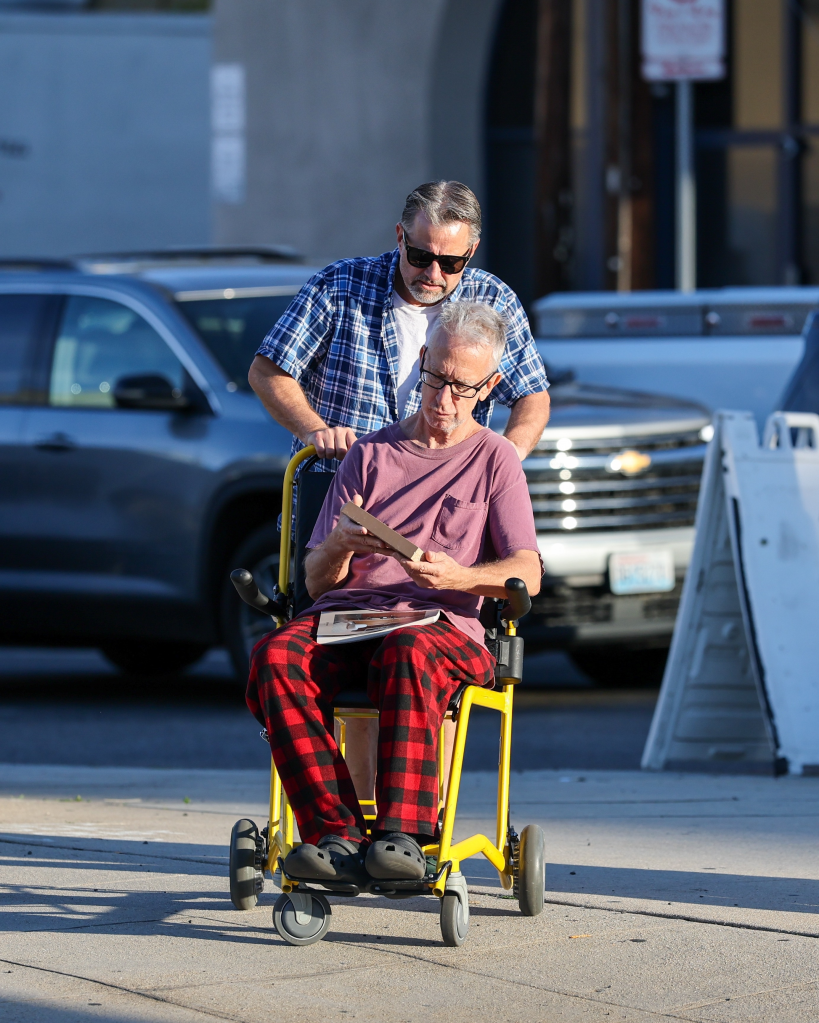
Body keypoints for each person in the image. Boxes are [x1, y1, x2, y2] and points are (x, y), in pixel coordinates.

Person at [248, 180, 549, 802]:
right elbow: (268, 369)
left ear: (473, 252)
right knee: (347, 637)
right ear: (399, 239)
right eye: (421, 257)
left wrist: (501, 461)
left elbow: (533, 397)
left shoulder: (493, 299)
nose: (434, 273)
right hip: (356, 479)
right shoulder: (342, 286)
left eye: (452, 261)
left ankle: (410, 822)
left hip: (455, 509)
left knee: (413, 654)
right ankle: (350, 824)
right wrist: (315, 430)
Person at [246, 302, 542, 883]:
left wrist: (458, 577)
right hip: (351, 615)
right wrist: (338, 546)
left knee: (406, 653)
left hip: (439, 625)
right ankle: (334, 832)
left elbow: (526, 573)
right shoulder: (370, 454)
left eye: (462, 388)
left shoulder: (496, 459)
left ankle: (403, 837)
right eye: (435, 379)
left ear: (490, 387)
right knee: (275, 657)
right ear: (423, 362)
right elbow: (314, 582)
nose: (443, 400)